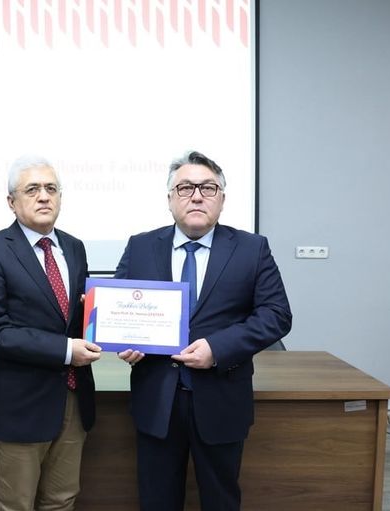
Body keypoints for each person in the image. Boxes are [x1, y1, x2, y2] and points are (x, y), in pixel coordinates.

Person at [116, 151, 292, 511]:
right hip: (157, 401)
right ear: (170, 199)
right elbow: (117, 309)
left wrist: (218, 348)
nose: (196, 196)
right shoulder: (141, 246)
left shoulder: (252, 248)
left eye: (208, 188)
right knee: (157, 501)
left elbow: (277, 315)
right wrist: (124, 340)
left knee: (220, 500)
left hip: (222, 398)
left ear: (222, 199)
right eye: (185, 188)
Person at [0, 155, 102, 511]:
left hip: (73, 397)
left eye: (51, 188)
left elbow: (78, 317)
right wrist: (66, 350)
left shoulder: (74, 247)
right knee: (17, 504)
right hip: (22, 404)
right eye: (32, 189)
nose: (44, 196)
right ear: (11, 202)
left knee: (62, 499)